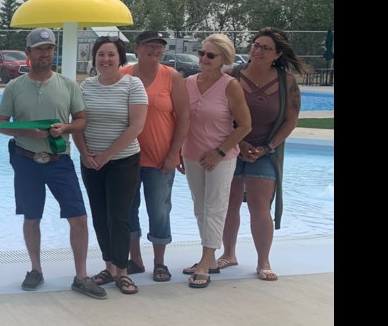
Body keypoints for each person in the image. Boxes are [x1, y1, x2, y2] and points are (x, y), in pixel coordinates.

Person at [0, 28, 105, 299]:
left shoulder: (68, 85)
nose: (44, 54)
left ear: (53, 52)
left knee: (78, 218)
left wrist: (65, 127)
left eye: (49, 49)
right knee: (32, 218)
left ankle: (81, 275)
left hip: (59, 161)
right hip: (26, 161)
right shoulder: (14, 87)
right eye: (39, 49)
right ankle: (35, 269)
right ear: (29, 52)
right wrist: (25, 131)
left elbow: (82, 120)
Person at [218, 27, 306, 281]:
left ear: (277, 54)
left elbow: (291, 121)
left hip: (266, 151)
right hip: (233, 146)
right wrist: (241, 142)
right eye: (256, 45)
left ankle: (263, 261)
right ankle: (228, 253)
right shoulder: (232, 75)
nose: (257, 50)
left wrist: (266, 148)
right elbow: (222, 115)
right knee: (230, 202)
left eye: (265, 48)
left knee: (259, 205)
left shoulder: (286, 82)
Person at [71, 36, 148, 296]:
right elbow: (77, 123)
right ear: (94, 58)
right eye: (101, 54)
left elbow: (136, 127)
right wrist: (84, 153)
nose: (105, 59)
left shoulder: (133, 85)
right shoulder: (85, 87)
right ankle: (109, 267)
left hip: (123, 161)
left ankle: (123, 271)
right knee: (100, 215)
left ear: (120, 58)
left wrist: (107, 154)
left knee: (119, 216)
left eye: (111, 54)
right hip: (91, 162)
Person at [180, 34, 252, 288]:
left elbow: (244, 126)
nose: (203, 58)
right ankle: (208, 259)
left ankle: (206, 260)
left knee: (215, 207)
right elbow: (182, 121)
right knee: (200, 207)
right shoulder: (187, 82)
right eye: (201, 53)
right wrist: (179, 150)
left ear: (224, 59)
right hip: (191, 155)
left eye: (210, 55)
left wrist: (219, 152)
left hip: (221, 157)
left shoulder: (230, 85)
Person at [120, 31, 190, 283]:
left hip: (161, 160)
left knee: (159, 211)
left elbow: (184, 118)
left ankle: (159, 262)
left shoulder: (172, 77)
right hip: (127, 158)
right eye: (149, 45)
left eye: (159, 46)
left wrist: (174, 154)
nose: (155, 50)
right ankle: (135, 259)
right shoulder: (123, 76)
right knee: (128, 210)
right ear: (137, 48)